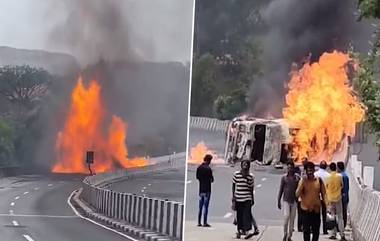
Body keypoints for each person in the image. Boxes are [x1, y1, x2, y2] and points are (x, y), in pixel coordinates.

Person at [296, 161, 326, 241]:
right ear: (305, 171)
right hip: (305, 211)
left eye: (311, 170)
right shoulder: (303, 181)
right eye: (308, 170)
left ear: (314, 170)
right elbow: (297, 194)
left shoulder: (319, 181)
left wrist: (327, 206)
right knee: (306, 232)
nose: (310, 172)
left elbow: (324, 195)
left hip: (316, 211)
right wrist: (302, 182)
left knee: (316, 232)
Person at [232, 160, 259, 239]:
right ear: (241, 165)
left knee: (247, 215)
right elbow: (234, 186)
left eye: (246, 164)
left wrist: (252, 199)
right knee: (239, 215)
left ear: (248, 166)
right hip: (238, 198)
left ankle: (247, 231)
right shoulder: (236, 174)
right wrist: (233, 197)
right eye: (243, 164)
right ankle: (240, 230)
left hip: (247, 198)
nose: (245, 166)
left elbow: (251, 188)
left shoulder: (250, 176)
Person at [278, 161, 300, 241]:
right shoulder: (284, 177)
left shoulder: (297, 177)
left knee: (292, 219)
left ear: (293, 168)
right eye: (288, 167)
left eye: (291, 167)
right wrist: (278, 200)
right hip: (286, 200)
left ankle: (289, 236)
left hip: (294, 201)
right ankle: (285, 234)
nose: (289, 169)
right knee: (286, 217)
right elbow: (281, 189)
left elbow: (300, 188)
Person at [325, 162, 346, 240]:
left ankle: (333, 234)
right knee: (340, 217)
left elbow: (326, 187)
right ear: (336, 168)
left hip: (330, 199)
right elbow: (342, 185)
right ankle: (342, 234)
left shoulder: (328, 177)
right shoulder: (339, 176)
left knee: (332, 217)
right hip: (338, 198)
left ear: (330, 168)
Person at [196, 154, 214, 227]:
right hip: (207, 190)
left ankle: (199, 222)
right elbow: (212, 179)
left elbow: (197, 177)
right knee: (206, 207)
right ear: (209, 160)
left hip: (201, 190)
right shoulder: (208, 169)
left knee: (200, 206)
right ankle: (205, 222)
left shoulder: (199, 167)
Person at [314, 160, 331, 235]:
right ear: (326, 167)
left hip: (316, 197)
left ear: (319, 166)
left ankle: (315, 228)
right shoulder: (328, 175)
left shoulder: (315, 174)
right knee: (324, 214)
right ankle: (325, 230)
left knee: (316, 215)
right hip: (325, 197)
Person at [337, 161, 349, 228]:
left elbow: (344, 188)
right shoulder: (345, 175)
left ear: (338, 168)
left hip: (342, 197)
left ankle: (342, 227)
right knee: (344, 212)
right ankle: (342, 226)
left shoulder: (342, 176)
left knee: (342, 213)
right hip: (344, 197)